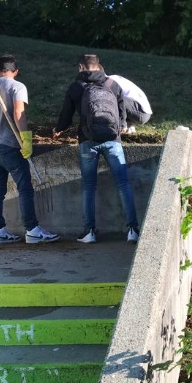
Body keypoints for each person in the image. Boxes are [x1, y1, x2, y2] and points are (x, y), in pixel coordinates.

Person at [0, 54, 60, 245]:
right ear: (16, 71)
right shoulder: (18, 87)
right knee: (25, 188)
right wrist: (26, 138)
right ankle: (33, 230)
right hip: (11, 146)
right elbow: (18, 113)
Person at [54, 54, 140, 244]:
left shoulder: (76, 86)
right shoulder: (112, 85)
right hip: (113, 139)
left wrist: (58, 129)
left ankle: (89, 232)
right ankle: (133, 230)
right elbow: (122, 114)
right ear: (99, 66)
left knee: (89, 187)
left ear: (81, 67)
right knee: (123, 184)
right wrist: (122, 127)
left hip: (88, 140)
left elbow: (66, 115)